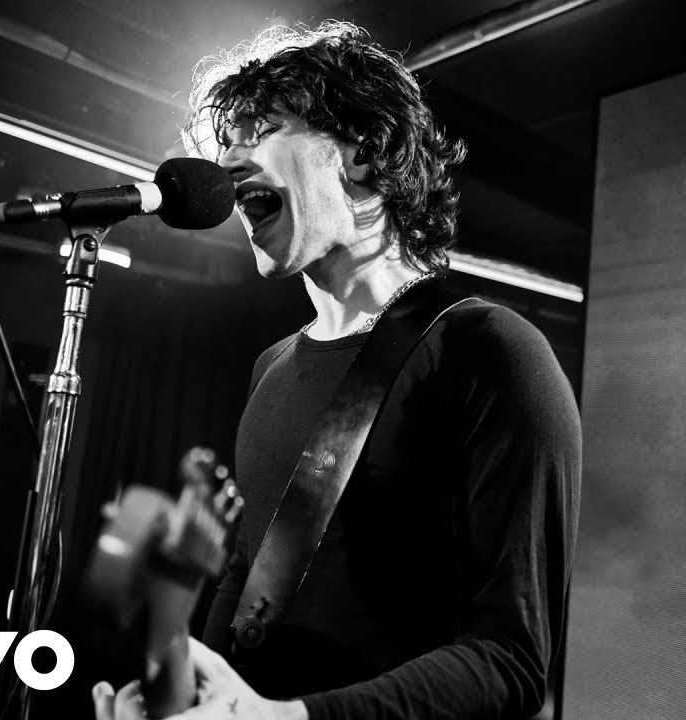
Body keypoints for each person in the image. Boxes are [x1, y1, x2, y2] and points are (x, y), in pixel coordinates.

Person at [93, 21, 580, 720]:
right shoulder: (272, 368)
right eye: (226, 141)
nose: (228, 163)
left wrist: (293, 718)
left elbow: (513, 658)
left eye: (262, 129)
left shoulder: (490, 350)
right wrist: (182, 703)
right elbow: (246, 585)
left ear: (363, 153)